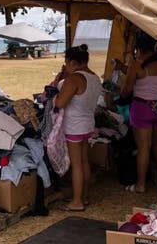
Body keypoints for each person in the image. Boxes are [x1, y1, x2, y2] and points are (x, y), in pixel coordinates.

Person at [118, 33, 157, 193]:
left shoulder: (137, 65)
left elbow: (126, 90)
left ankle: (141, 184)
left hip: (142, 108)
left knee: (144, 148)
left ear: (139, 49)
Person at [55, 44, 101, 212]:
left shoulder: (74, 79)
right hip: (87, 123)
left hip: (74, 126)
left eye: (66, 62)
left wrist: (63, 78)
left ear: (72, 62)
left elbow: (60, 102)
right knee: (83, 161)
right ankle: (84, 196)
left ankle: (76, 201)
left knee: (76, 165)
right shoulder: (94, 77)